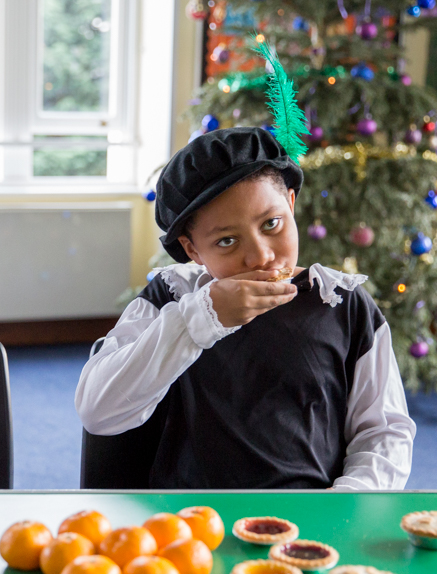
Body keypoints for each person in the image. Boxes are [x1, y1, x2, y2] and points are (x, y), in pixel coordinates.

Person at [75, 127, 414, 490]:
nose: (261, 256)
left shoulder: (342, 304)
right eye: (226, 241)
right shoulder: (172, 297)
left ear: (291, 203)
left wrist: (344, 501)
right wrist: (202, 318)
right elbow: (99, 412)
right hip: (192, 525)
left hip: (309, 519)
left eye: (272, 224)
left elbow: (384, 432)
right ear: (193, 250)